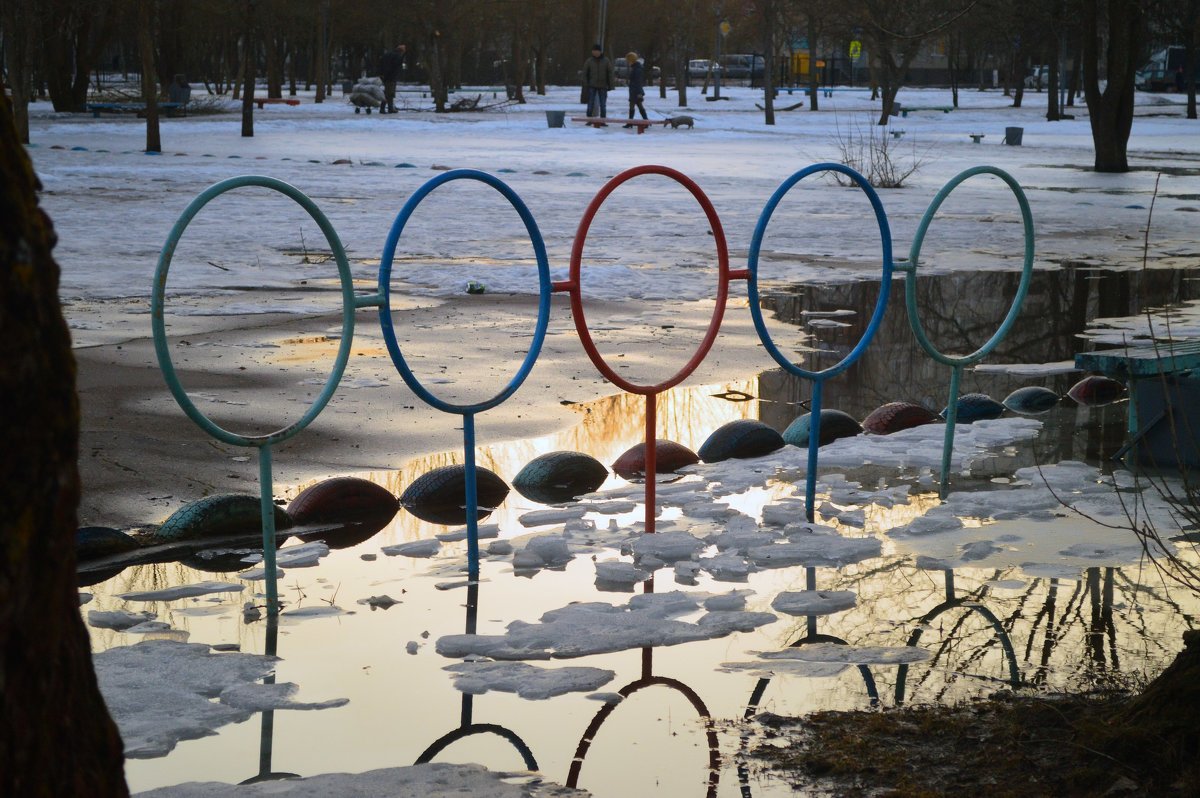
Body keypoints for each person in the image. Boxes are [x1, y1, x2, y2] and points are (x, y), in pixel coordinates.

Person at [583, 43, 615, 122]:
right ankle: (589, 120)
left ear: (600, 52)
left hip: (603, 85)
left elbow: (610, 73)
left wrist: (611, 85)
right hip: (592, 85)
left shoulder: (606, 60)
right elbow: (585, 73)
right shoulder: (589, 61)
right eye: (594, 51)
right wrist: (586, 84)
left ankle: (603, 121)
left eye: (597, 51)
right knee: (590, 104)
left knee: (603, 104)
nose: (595, 53)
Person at [380, 43, 407, 114]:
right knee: (389, 93)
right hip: (391, 77)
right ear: (402, 51)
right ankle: (385, 108)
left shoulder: (389, 54)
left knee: (388, 92)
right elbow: (396, 66)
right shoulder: (397, 56)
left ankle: (389, 108)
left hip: (385, 76)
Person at [624, 52, 648, 127]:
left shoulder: (637, 69)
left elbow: (638, 81)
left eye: (628, 60)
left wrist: (638, 93)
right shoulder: (636, 67)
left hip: (635, 91)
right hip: (634, 90)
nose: (627, 62)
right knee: (638, 105)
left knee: (633, 105)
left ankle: (631, 122)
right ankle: (645, 121)